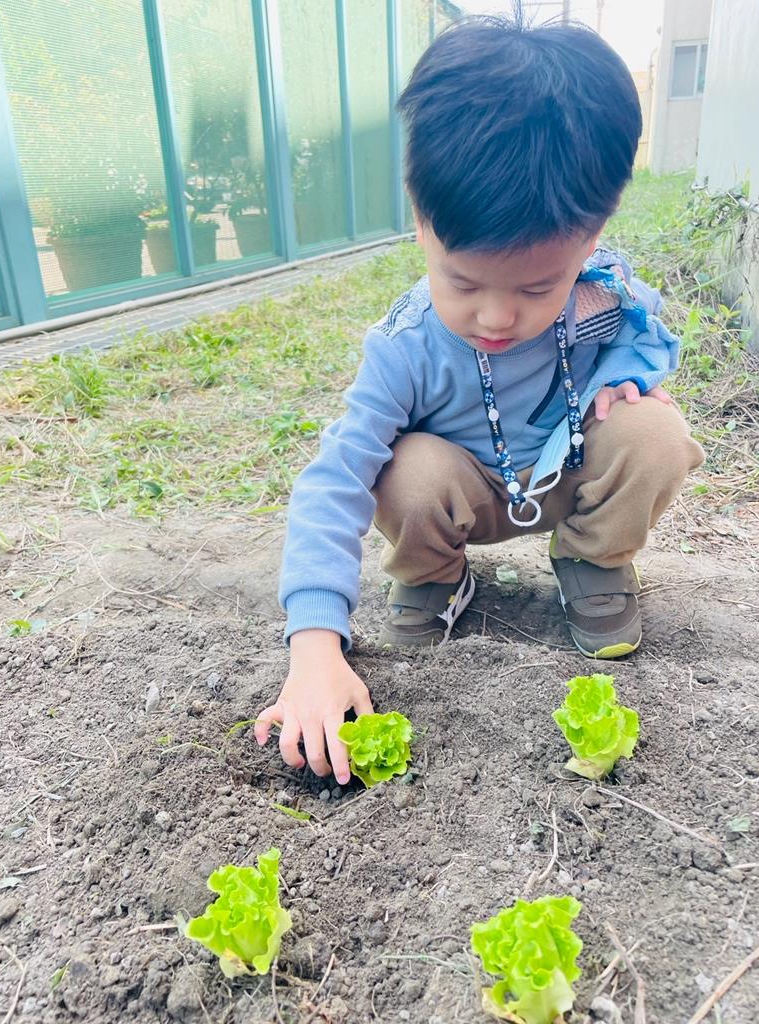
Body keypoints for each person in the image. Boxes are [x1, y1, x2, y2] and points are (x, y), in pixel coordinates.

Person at [254, 15, 704, 784]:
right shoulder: (406, 347)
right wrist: (314, 646)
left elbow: (649, 335)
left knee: (654, 432)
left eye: (535, 288)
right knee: (403, 468)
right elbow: (334, 480)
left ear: (590, 238)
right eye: (462, 282)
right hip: (463, 495)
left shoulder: (602, 296)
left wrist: (629, 378)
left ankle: (592, 561)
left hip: (559, 479)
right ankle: (434, 576)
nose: (495, 317)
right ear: (420, 219)